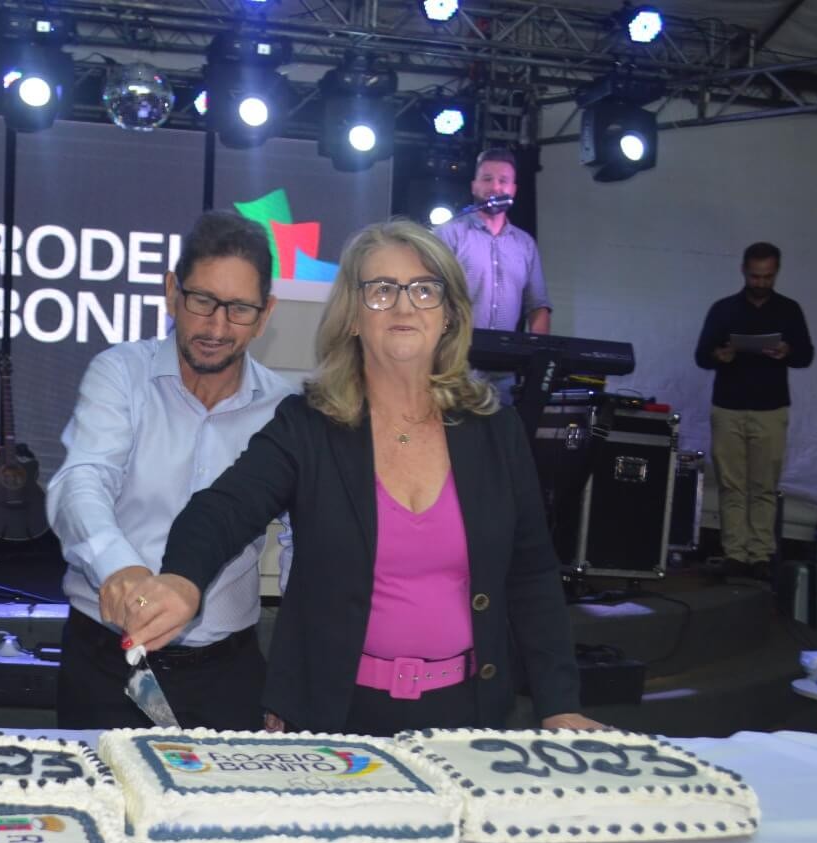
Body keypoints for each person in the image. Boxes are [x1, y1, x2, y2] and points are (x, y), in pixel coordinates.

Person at [123, 220, 602, 737]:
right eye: (380, 290)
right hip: (334, 717)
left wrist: (558, 703)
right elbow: (222, 510)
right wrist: (181, 579)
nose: (403, 306)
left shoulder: (496, 432)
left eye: (424, 289)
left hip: (469, 716)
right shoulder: (307, 426)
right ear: (352, 316)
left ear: (448, 314)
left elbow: (531, 575)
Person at [47, 212, 295, 732]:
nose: (217, 327)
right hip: (106, 663)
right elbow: (82, 480)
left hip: (228, 676)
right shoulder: (120, 374)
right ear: (170, 291)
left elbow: (303, 547)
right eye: (202, 301)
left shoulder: (284, 408)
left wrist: (295, 680)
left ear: (266, 312)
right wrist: (118, 569)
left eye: (240, 309)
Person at [694, 241, 815, 582]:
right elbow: (701, 355)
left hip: (770, 408)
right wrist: (721, 355)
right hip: (728, 406)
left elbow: (806, 356)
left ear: (776, 273)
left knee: (763, 486)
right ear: (744, 271)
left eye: (767, 277)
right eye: (755, 276)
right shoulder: (724, 309)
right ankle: (735, 553)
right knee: (733, 486)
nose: (761, 282)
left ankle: (760, 555)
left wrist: (787, 350)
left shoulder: (789, 310)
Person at [435, 147, 552, 404]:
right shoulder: (449, 234)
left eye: (503, 181)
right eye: (487, 179)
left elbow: (538, 306)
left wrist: (536, 359)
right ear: (474, 185)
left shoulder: (525, 244)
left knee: (497, 439)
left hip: (504, 371)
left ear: (513, 190)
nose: (495, 187)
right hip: (455, 364)